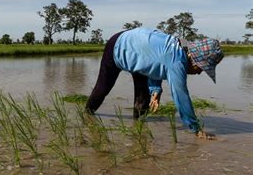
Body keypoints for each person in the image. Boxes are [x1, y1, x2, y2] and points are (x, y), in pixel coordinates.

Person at [85, 28, 224, 140]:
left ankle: (138, 131)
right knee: (102, 89)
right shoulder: (177, 61)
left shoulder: (177, 49)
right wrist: (197, 129)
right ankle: (87, 114)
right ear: (195, 60)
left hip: (139, 51)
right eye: (201, 68)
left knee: (143, 100)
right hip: (119, 46)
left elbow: (155, 63)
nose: (199, 72)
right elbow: (181, 97)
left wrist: (155, 91)